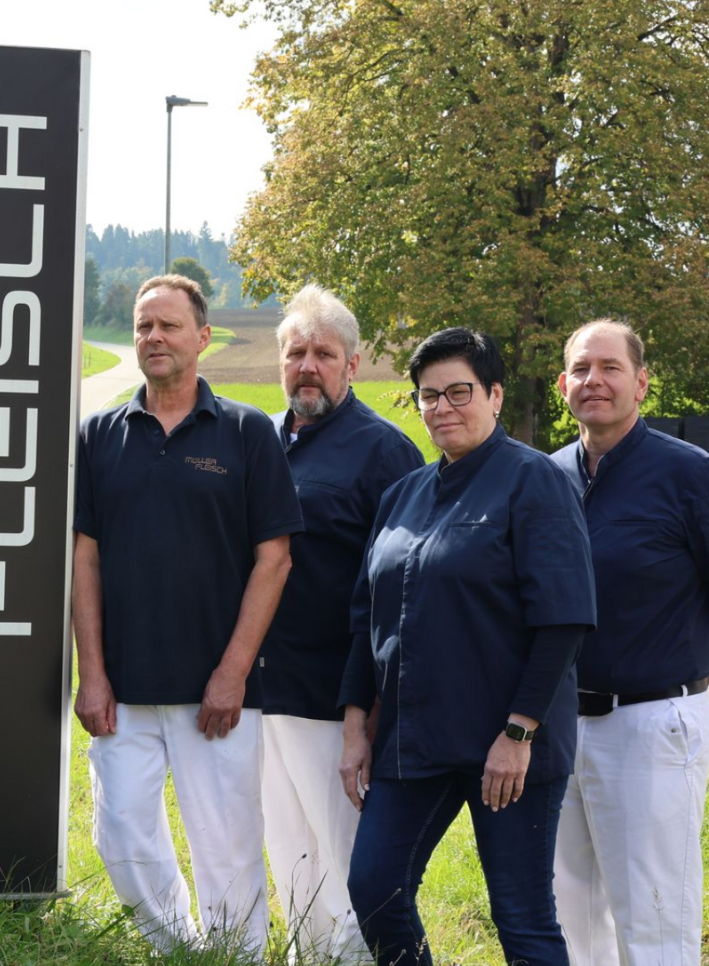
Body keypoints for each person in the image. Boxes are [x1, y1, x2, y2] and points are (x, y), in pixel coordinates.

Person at [339, 328, 595, 966]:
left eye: (459, 392)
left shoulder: (534, 482)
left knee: (522, 919)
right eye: (429, 397)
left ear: (495, 395)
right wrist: (353, 724)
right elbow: (367, 616)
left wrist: (519, 732)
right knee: (373, 888)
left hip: (507, 745)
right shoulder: (403, 495)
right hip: (413, 738)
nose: (443, 408)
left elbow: (563, 620)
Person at [72, 274, 301, 954]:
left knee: (228, 849)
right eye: (144, 326)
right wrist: (92, 673)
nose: (154, 338)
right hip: (124, 687)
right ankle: (182, 950)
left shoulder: (246, 431)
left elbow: (276, 560)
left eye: (169, 326)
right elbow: (84, 559)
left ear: (203, 338)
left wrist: (232, 672)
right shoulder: (99, 434)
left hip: (219, 692)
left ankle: (237, 957)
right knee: (119, 834)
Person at [261, 285, 422, 964]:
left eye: (324, 353)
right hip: (257, 696)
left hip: (336, 699)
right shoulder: (256, 441)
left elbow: (402, 590)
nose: (308, 365)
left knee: (349, 876)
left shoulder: (385, 454)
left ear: (352, 365)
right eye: (296, 351)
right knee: (293, 870)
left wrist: (373, 704)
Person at [549, 320, 709, 966]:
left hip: (651, 724)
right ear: (563, 385)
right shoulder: (545, 477)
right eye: (582, 369)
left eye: (610, 368)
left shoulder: (690, 475)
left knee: (653, 919)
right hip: (557, 729)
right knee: (570, 917)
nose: (595, 381)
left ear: (641, 382)